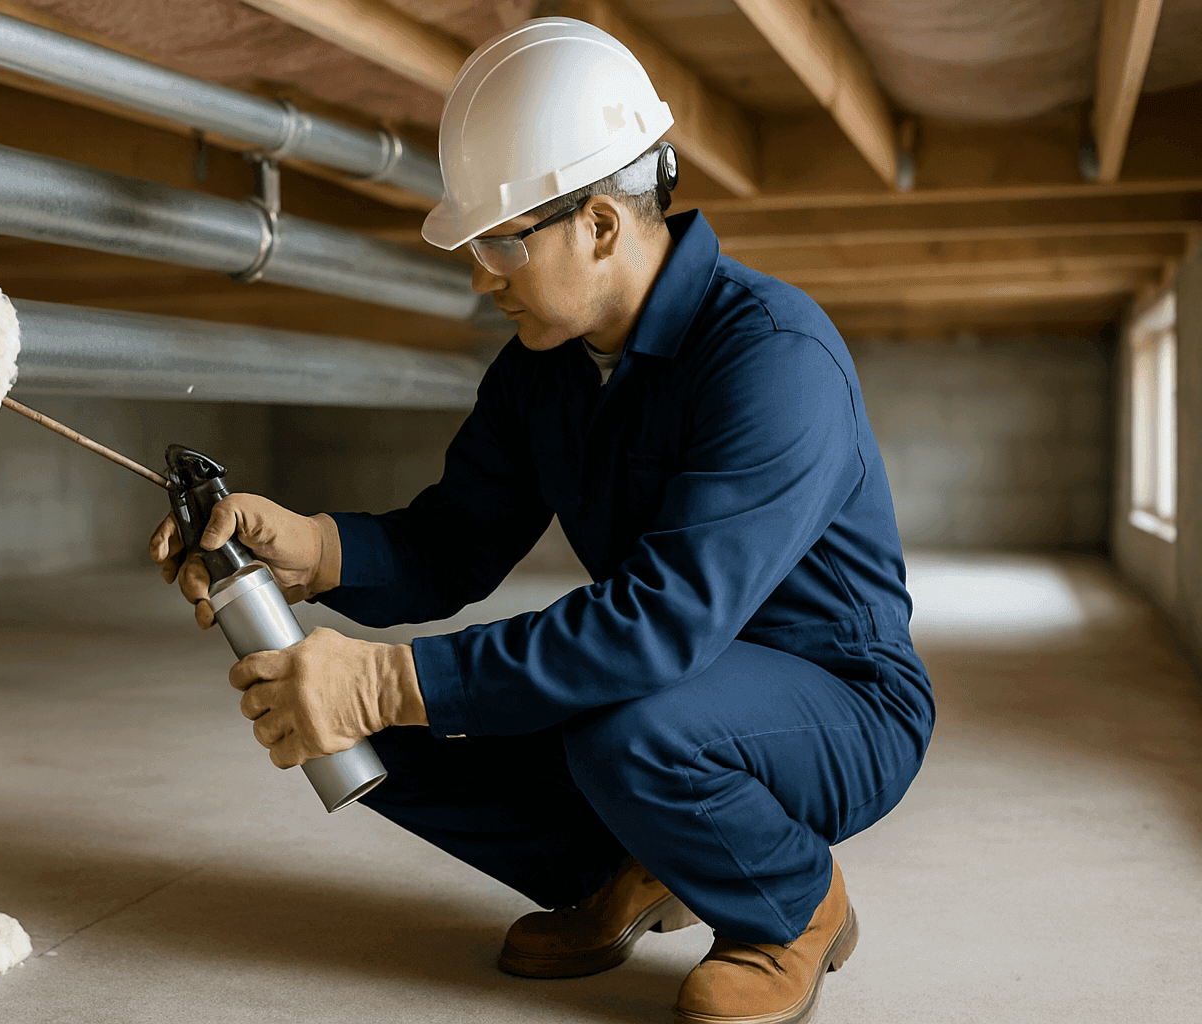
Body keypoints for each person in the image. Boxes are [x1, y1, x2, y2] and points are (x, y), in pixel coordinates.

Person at [149, 17, 935, 1024]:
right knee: (359, 740)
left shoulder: (772, 355)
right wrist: (305, 549)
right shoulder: (542, 374)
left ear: (602, 225)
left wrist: (389, 678)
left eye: (502, 243)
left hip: (840, 701)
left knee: (616, 725)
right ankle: (644, 859)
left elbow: (660, 623)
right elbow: (450, 544)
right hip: (672, 688)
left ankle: (792, 903)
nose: (482, 276)